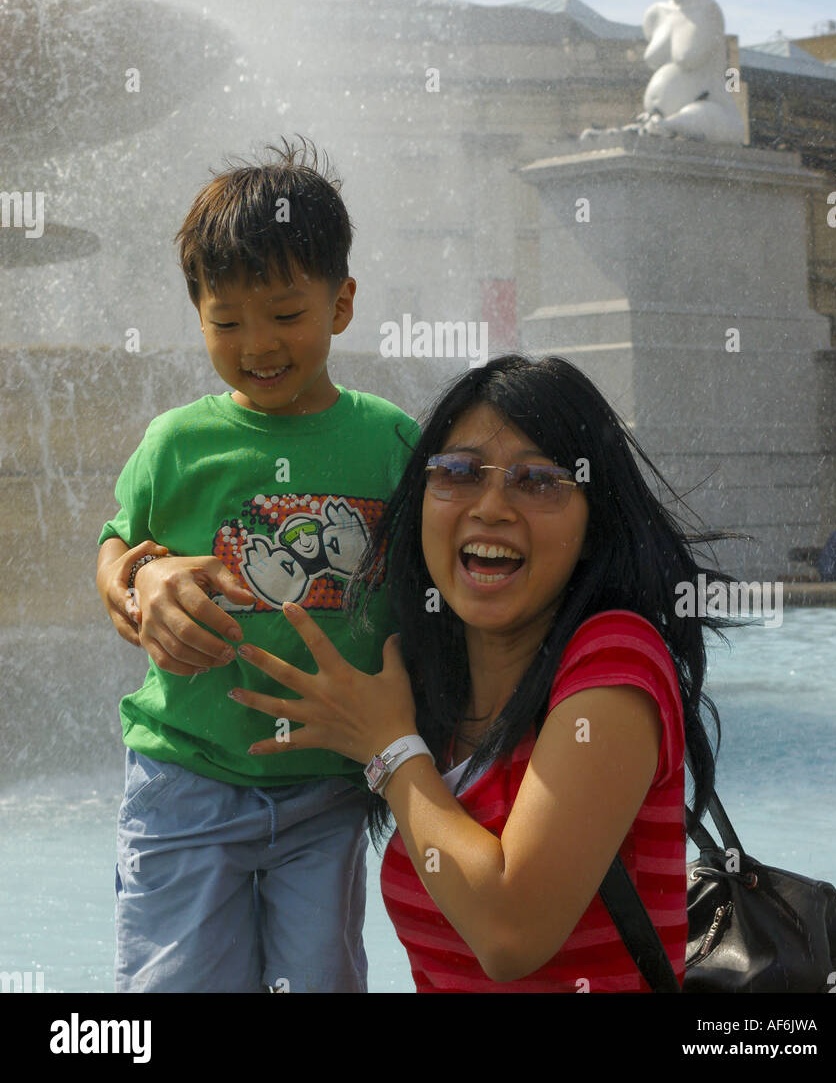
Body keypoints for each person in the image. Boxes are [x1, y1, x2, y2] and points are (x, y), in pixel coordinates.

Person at [229, 353, 737, 992]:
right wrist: (140, 574)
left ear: (594, 519)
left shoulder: (615, 661)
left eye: (540, 481)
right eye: (460, 473)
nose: (491, 506)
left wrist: (390, 751)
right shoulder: (426, 694)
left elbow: (510, 932)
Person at [95, 137, 418, 993]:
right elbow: (115, 547)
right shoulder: (177, 443)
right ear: (198, 314)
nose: (257, 344)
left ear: (341, 303)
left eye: (284, 313)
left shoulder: (387, 440)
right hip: (187, 775)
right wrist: (133, 588)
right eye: (226, 321)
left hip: (325, 788)